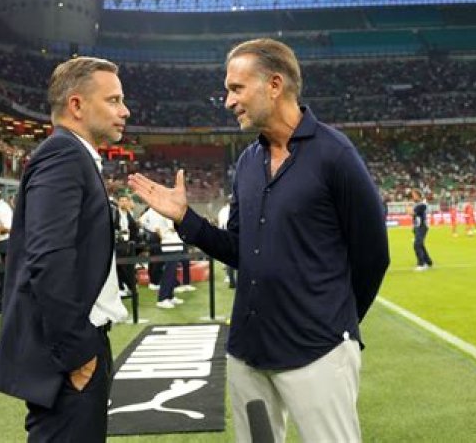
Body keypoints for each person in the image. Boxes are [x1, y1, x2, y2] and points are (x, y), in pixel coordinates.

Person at [128, 38, 389, 442]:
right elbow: (239, 250)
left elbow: (373, 255)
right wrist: (185, 219)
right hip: (248, 351)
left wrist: (336, 322)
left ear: (275, 84)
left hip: (317, 350)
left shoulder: (335, 154)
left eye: (237, 88)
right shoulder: (248, 162)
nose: (228, 101)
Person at [0, 56, 130, 442]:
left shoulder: (73, 154)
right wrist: (77, 352)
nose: (125, 111)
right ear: (77, 105)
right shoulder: (63, 154)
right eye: (114, 100)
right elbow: (49, 257)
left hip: (78, 340)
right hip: (68, 351)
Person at [113, 193, 139, 297]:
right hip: (118, 243)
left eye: (125, 201)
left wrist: (133, 240)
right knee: (121, 266)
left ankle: (128, 286)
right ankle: (124, 287)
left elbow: (133, 228)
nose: (123, 203)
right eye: (121, 201)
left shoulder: (129, 214)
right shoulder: (114, 213)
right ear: (118, 202)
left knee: (128, 266)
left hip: (129, 243)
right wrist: (119, 233)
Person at [217, 196, 237, 288]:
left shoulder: (222, 210)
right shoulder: (229, 210)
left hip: (225, 233)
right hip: (230, 233)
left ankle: (229, 278)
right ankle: (231, 279)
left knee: (229, 258)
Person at [411, 189, 433, 271]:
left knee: (417, 245)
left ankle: (421, 264)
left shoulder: (422, 204)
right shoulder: (419, 204)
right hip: (418, 226)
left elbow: (412, 213)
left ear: (418, 195)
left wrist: (409, 208)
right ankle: (428, 261)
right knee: (420, 244)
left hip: (422, 226)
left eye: (414, 195)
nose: (413, 197)